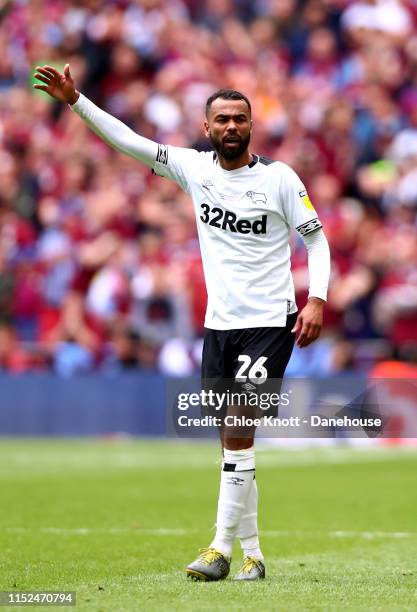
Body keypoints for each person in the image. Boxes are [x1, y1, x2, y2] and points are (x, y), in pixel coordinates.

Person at [34, 64, 331, 581]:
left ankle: (218, 550)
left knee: (238, 431)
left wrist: (318, 299)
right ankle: (254, 556)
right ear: (206, 127)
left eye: (241, 118)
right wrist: (76, 101)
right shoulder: (194, 169)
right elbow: (130, 142)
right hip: (220, 324)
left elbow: (316, 240)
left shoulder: (280, 179)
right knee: (233, 444)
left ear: (252, 126)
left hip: (269, 323)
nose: (232, 126)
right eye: (223, 119)